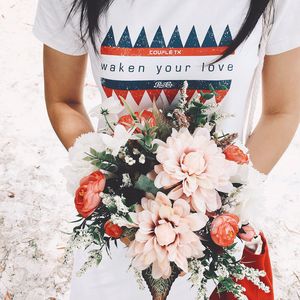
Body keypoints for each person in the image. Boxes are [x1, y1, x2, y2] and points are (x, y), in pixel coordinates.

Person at [32, 0, 300, 299]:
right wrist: (110, 185)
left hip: (210, 239)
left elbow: (282, 111)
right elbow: (63, 100)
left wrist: (227, 203)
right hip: (114, 233)